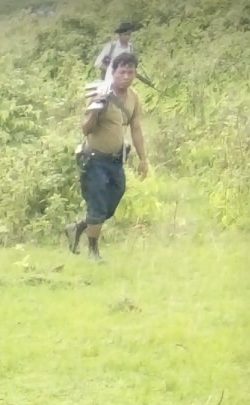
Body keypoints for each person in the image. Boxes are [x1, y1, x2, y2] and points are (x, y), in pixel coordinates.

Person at [64, 53, 149, 263]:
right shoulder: (99, 93)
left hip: (116, 160)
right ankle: (93, 252)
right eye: (122, 71)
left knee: (111, 204)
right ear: (113, 72)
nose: (126, 76)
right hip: (94, 160)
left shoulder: (134, 97)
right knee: (98, 205)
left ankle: (77, 227)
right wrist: (95, 110)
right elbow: (86, 129)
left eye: (131, 72)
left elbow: (136, 128)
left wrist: (143, 159)